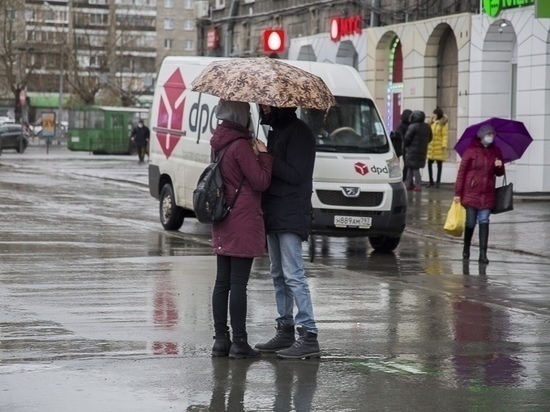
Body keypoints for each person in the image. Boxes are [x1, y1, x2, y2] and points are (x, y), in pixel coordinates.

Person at [255, 105, 320, 359]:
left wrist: (266, 156)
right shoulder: (278, 130)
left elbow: (295, 174)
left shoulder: (300, 133)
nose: (263, 108)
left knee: (294, 274)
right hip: (275, 211)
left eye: (267, 104)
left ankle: (309, 333)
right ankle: (285, 328)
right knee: (278, 273)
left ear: (281, 104)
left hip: (291, 212)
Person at [209, 99, 273, 359]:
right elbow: (260, 181)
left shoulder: (217, 143)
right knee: (238, 284)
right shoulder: (240, 146)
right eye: (246, 111)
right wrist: (265, 156)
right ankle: (240, 343)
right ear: (240, 115)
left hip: (222, 216)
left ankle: (220, 341)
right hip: (243, 219)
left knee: (222, 282)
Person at [453, 124, 504, 264]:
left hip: (487, 192)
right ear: (482, 136)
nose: (491, 137)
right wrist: (457, 193)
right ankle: (466, 248)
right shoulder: (470, 151)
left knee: (484, 220)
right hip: (471, 192)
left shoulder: (496, 151)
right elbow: (462, 172)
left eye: (493, 135)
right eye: (489, 135)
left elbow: (499, 174)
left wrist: (500, 166)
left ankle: (483, 254)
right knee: (470, 222)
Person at [403, 110, 432, 191]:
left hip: (412, 150)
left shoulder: (412, 126)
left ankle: (417, 184)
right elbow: (430, 138)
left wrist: (405, 144)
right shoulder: (427, 126)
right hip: (422, 149)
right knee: (411, 167)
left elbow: (407, 138)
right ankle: (408, 183)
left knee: (414, 167)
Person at [427, 107, 449, 188]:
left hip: (439, 147)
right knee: (429, 164)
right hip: (431, 146)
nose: (434, 115)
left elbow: (445, 135)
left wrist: (444, 145)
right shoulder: (431, 122)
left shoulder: (443, 123)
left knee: (439, 165)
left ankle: (438, 182)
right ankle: (431, 181)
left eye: (435, 114)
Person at [394, 109, 412, 181]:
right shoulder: (406, 126)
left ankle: (405, 179)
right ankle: (405, 179)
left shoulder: (401, 126)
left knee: (407, 165)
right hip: (406, 147)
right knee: (407, 165)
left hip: (405, 147)